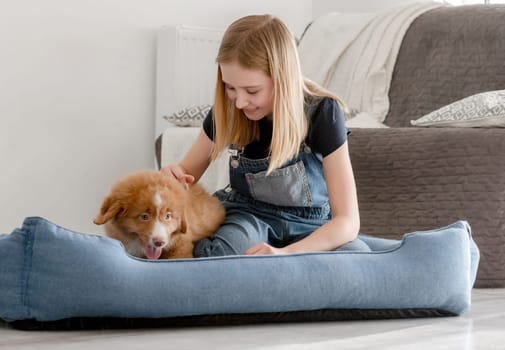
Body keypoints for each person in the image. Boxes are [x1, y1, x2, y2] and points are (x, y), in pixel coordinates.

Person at [161, 14, 365, 257]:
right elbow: (186, 175)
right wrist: (170, 180)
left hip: (312, 224)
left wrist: (287, 253)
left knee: (357, 256)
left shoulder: (323, 112)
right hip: (248, 217)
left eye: (252, 90)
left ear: (283, 80)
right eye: (230, 88)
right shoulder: (227, 110)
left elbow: (348, 221)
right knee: (219, 253)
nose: (240, 102)